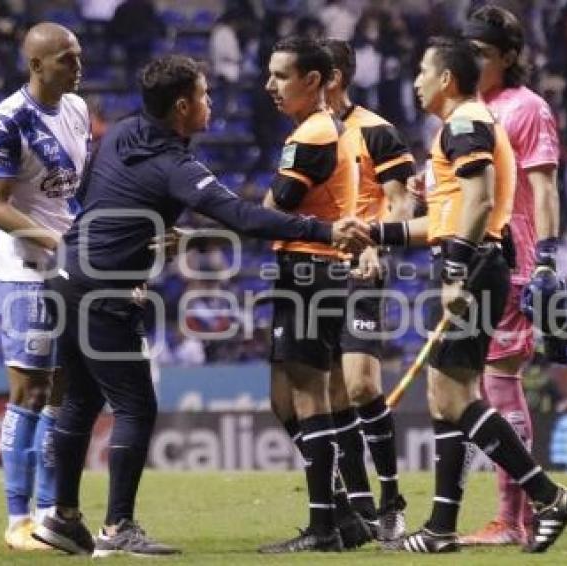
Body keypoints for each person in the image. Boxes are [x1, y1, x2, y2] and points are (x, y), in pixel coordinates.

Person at [32, 54, 372, 559]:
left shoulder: (122, 134)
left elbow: (102, 198)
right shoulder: (177, 167)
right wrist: (326, 231)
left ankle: (63, 517)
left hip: (64, 276)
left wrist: (154, 236)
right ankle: (117, 527)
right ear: (184, 106)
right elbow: (243, 217)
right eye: (206, 95)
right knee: (135, 406)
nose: (211, 103)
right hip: (101, 291)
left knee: (81, 400)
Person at [369, 36, 567, 554]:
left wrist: (456, 271)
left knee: (454, 398)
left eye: (423, 70)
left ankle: (547, 497)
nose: (416, 80)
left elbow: (482, 201)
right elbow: (443, 221)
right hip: (479, 263)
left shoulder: (465, 124)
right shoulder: (459, 127)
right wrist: (377, 233)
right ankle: (443, 527)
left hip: (477, 267)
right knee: (449, 399)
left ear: (446, 79)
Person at [0, 22, 88, 551]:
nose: (78, 68)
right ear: (37, 65)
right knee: (29, 392)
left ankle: (50, 513)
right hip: (24, 270)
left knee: (62, 391)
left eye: (78, 57)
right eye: (67, 60)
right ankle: (17, 517)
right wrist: (53, 241)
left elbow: (71, 196)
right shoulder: (6, 122)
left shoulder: (78, 110)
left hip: (66, 265)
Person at [459, 5, 565, 546]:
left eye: (483, 52)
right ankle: (507, 515)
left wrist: (546, 258)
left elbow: (544, 187)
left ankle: (512, 519)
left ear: (508, 56)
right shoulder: (467, 107)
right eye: (468, 50)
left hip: (512, 260)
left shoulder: (528, 108)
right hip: (471, 260)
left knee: (499, 383)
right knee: (473, 387)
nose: (472, 60)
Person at [256, 36, 359, 554]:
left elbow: (276, 205)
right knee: (284, 399)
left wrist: (264, 207)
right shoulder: (310, 130)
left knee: (308, 397)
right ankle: (341, 512)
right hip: (302, 270)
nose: (269, 86)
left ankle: (326, 528)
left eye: (280, 75)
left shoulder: (315, 134)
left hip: (312, 272)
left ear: (313, 80)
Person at [324, 38, 415, 543]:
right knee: (334, 393)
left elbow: (401, 202)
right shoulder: (306, 134)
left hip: (360, 269)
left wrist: (377, 246)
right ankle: (359, 508)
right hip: (314, 274)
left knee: (360, 384)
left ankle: (391, 499)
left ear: (331, 76)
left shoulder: (377, 131)